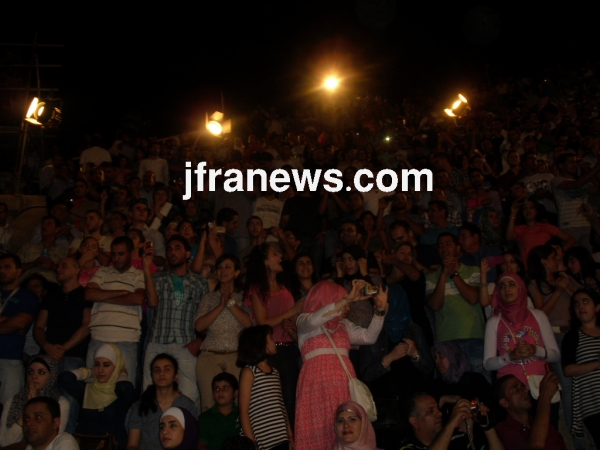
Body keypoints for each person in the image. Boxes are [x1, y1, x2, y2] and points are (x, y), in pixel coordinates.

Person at [295, 280, 387, 450]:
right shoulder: (304, 322)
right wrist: (347, 299)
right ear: (326, 299)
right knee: (318, 436)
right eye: (341, 300)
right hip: (316, 390)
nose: (347, 306)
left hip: (343, 388)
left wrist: (380, 312)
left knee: (346, 435)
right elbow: (316, 319)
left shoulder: (344, 325)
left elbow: (369, 337)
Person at [143, 236, 207, 405]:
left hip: (186, 344)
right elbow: (152, 302)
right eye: (169, 249)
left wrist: (199, 341)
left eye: (177, 248)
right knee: (150, 396)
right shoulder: (157, 278)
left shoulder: (200, 283)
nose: (172, 252)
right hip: (158, 342)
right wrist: (146, 269)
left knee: (189, 396)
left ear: (188, 254)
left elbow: (206, 316)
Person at [243, 244, 303, 425]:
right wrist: (292, 311)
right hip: (270, 352)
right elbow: (263, 322)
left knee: (291, 401)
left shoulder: (285, 288)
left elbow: (293, 319)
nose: (281, 257)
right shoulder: (257, 289)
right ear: (265, 262)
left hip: (290, 350)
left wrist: (293, 322)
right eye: (275, 254)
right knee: (274, 404)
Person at [85, 236, 145, 385]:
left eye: (121, 254)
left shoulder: (138, 274)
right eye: (113, 254)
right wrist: (122, 293)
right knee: (93, 387)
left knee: (125, 389)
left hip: (126, 339)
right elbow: (89, 294)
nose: (116, 258)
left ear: (131, 253)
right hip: (99, 336)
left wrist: (103, 296)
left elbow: (138, 299)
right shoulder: (103, 271)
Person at [194, 254, 251, 412]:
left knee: (239, 407)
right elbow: (199, 326)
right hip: (209, 357)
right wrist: (220, 305)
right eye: (219, 268)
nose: (222, 270)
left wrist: (230, 301)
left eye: (227, 267)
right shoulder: (209, 298)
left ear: (237, 272)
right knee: (208, 406)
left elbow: (249, 323)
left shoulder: (244, 297)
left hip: (235, 357)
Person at [425, 233, 486, 379]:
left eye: (448, 244)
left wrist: (454, 274)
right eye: (440, 245)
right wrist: (443, 275)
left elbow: (473, 298)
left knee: (480, 383)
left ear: (458, 248)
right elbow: (434, 305)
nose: (444, 248)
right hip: (446, 339)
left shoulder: (473, 271)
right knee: (451, 385)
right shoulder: (432, 277)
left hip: (473, 337)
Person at [59, 344, 137, 450]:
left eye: (106, 365)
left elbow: (124, 388)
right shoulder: (86, 390)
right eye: (97, 364)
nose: (100, 370)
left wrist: (122, 373)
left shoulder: (120, 393)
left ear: (117, 367)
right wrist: (89, 372)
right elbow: (65, 378)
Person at [237, 325, 292, 450]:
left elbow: (281, 406)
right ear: (260, 345)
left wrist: (290, 435)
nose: (275, 340)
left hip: (281, 438)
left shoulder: (275, 372)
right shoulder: (249, 372)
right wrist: (251, 443)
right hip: (263, 443)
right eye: (271, 338)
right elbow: (243, 411)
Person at [128, 354, 197, 450]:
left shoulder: (188, 405)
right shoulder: (141, 405)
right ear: (152, 376)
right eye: (157, 370)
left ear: (176, 376)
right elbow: (132, 445)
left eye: (167, 370)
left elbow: (192, 440)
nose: (161, 373)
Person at [0, 356, 69, 447]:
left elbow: (53, 441)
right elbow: (5, 443)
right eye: (30, 372)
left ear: (52, 376)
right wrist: (27, 410)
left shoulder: (60, 403)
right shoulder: (12, 401)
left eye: (41, 372)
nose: (34, 376)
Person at [562, 289, 600, 445]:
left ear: (597, 307)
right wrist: (597, 364)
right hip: (592, 405)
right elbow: (568, 370)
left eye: (585, 301)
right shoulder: (572, 336)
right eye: (576, 304)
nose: (581, 306)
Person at [0, 253, 39, 403]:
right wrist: (9, 320)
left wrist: (14, 322)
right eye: (0, 267)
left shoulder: (27, 295)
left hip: (10, 358)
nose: (2, 271)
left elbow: (20, 323)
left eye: (7, 267)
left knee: (10, 408)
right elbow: (14, 323)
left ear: (18, 271)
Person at [401, 393, 504, 449]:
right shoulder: (407, 447)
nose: (439, 413)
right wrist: (451, 422)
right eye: (430, 411)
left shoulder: (457, 439)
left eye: (438, 408)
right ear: (414, 421)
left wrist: (486, 425)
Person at [494, 373, 567, 450]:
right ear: (504, 402)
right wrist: (545, 395)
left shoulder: (544, 425)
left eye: (523, 386)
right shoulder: (502, 430)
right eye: (515, 388)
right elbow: (535, 445)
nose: (525, 390)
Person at [506, 199, 575, 267]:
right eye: (525, 208)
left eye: (531, 207)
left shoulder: (546, 227)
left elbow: (571, 239)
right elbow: (509, 237)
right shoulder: (519, 229)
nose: (528, 210)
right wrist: (513, 213)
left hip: (548, 267)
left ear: (536, 211)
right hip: (530, 268)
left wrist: (559, 253)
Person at [430, 342, 495, 413]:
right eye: (435, 357)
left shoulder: (475, 380)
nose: (437, 361)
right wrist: (443, 399)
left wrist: (482, 407)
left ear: (453, 357)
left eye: (441, 355)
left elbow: (494, 406)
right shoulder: (436, 385)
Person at [198, 372, 241, 450]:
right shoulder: (205, 418)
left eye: (225, 388)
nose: (220, 392)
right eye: (216, 389)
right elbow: (201, 445)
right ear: (213, 394)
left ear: (235, 393)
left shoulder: (242, 415)